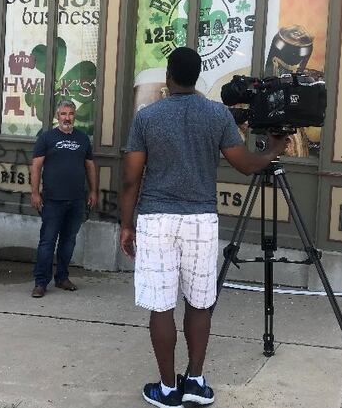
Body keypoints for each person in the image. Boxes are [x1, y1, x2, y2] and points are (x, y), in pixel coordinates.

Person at [120, 47, 288, 408]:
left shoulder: (147, 117)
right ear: (197, 77)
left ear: (168, 76)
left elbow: (131, 178)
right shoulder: (217, 114)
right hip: (201, 221)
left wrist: (126, 225)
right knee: (199, 303)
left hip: (157, 218)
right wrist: (273, 150)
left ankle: (168, 389)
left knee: (161, 307)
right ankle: (195, 382)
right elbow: (245, 165)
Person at [30, 100, 98, 298]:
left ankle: (62, 278)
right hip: (52, 200)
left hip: (76, 200)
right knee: (47, 242)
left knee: (68, 241)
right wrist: (35, 193)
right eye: (63, 114)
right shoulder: (46, 138)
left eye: (70, 114)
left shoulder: (83, 139)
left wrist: (93, 191)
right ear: (57, 116)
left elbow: (90, 166)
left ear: (74, 116)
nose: (67, 118)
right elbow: (36, 166)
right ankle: (40, 282)